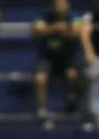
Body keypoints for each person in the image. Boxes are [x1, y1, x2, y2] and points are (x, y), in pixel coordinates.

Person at [32, 0, 87, 129]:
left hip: (67, 57)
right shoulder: (45, 15)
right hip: (48, 57)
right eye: (56, 4)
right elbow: (36, 29)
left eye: (61, 4)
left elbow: (77, 31)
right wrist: (56, 28)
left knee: (73, 75)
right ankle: (42, 111)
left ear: (67, 5)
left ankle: (72, 99)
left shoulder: (74, 16)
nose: (59, 7)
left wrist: (50, 29)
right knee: (39, 79)